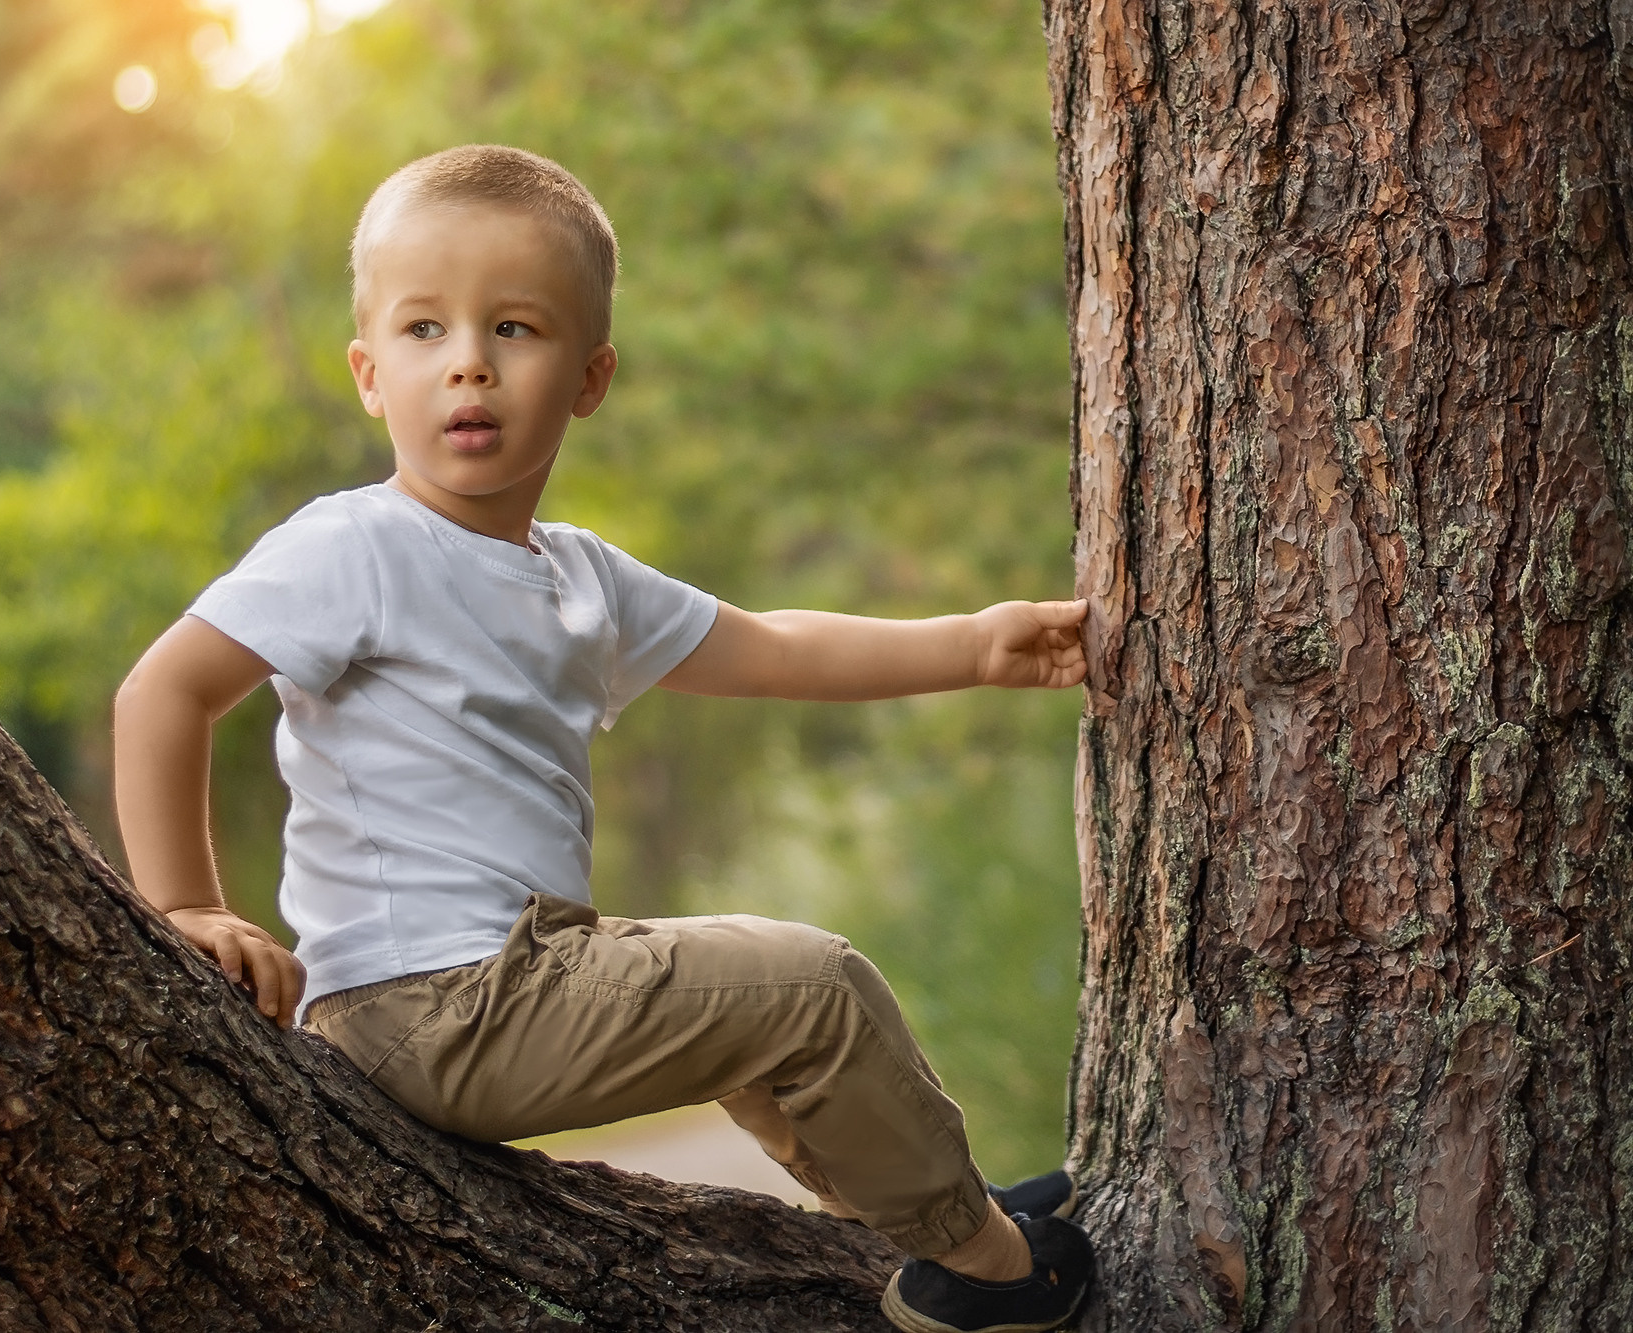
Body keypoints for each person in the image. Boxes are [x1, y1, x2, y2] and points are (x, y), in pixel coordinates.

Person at [112, 144, 1096, 1333]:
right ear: (369, 375)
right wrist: (185, 911)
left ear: (589, 376)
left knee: (745, 1017)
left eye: (513, 328)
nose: (467, 360)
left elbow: (772, 649)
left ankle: (917, 1211)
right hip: (425, 1004)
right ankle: (987, 1268)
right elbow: (163, 694)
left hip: (521, 976)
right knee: (812, 985)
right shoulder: (353, 547)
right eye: (424, 331)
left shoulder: (576, 576)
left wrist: (975, 645)